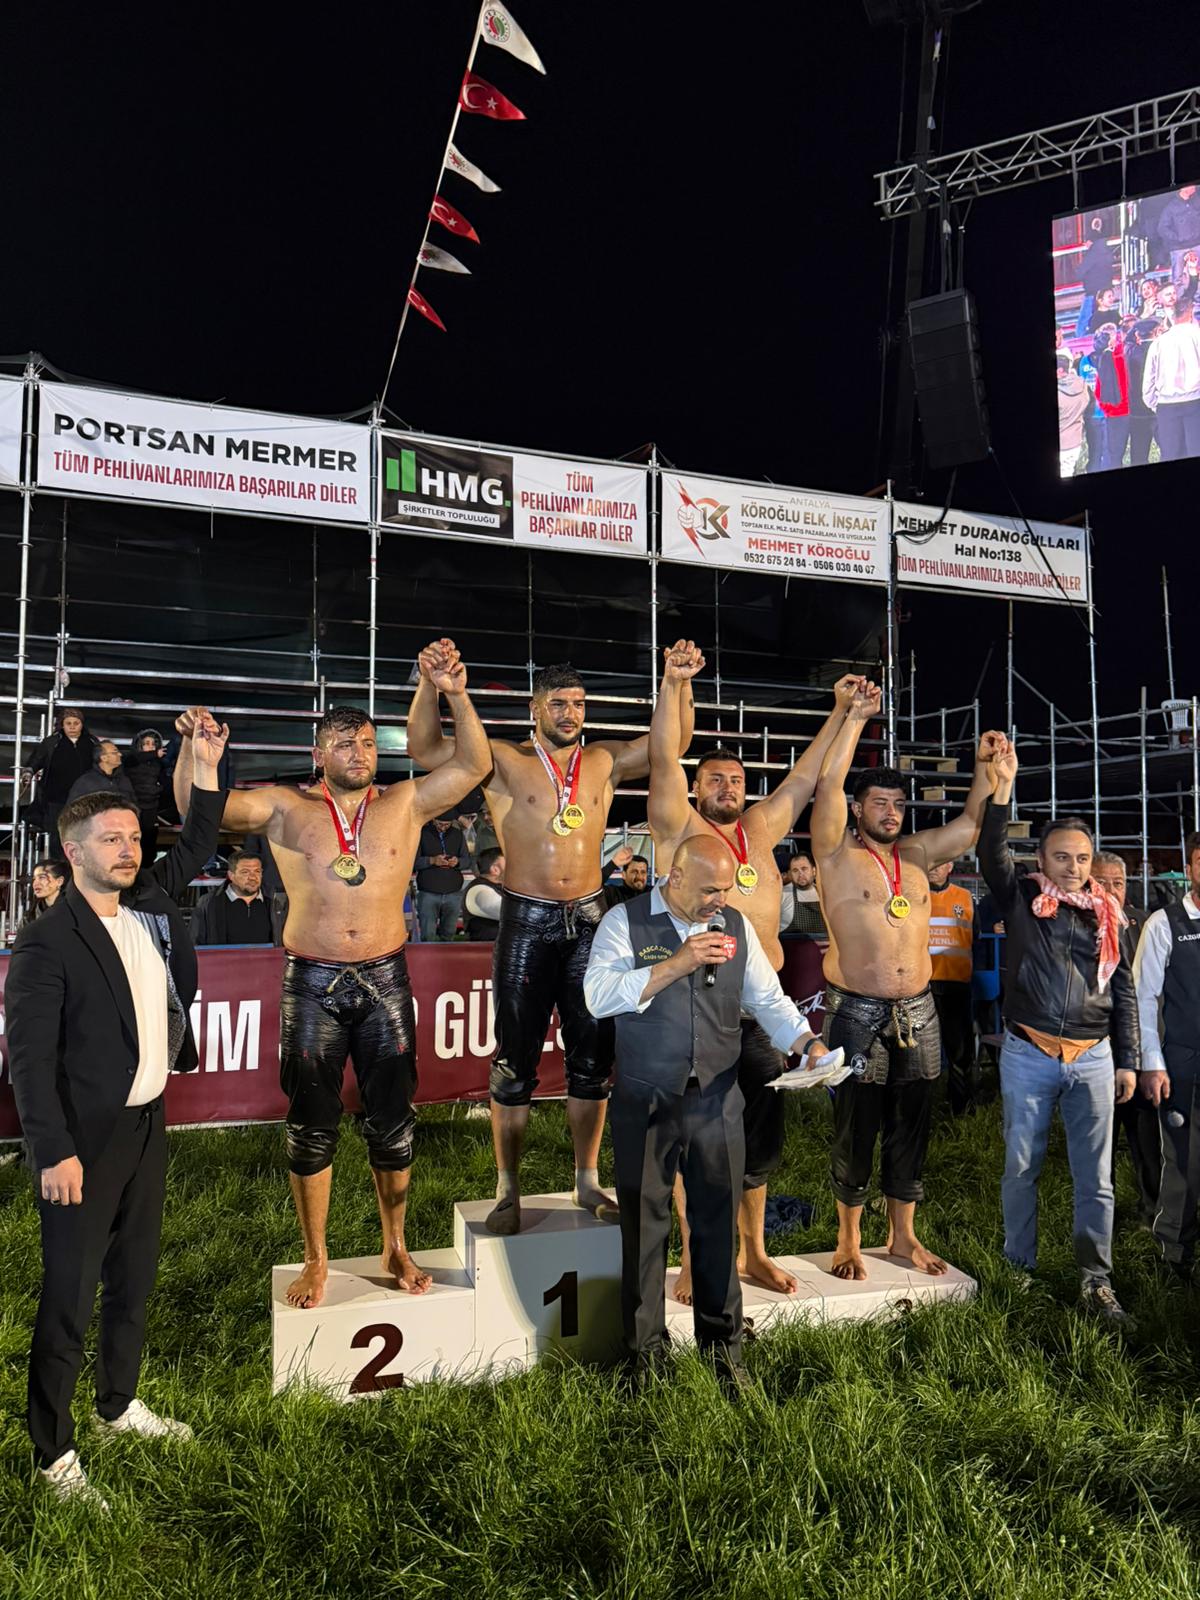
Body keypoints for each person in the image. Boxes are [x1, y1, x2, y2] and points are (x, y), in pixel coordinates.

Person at [176, 639, 490, 1309]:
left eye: (368, 743)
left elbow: (474, 764)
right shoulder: (286, 806)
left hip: (385, 976)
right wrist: (195, 758)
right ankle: (315, 1257)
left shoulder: (405, 802)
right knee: (311, 1121)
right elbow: (199, 813)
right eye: (345, 743)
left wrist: (453, 693)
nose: (359, 752)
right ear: (319, 753)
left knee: (394, 1120)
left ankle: (395, 1244)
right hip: (313, 981)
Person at [6, 710, 227, 1507]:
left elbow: (198, 840)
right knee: (69, 1295)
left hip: (146, 1126)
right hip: (82, 1141)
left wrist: (205, 766)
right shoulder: (47, 941)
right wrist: (52, 1150)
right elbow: (28, 1061)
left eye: (134, 838)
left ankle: (116, 1405)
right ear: (72, 853)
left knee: (133, 1278)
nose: (129, 850)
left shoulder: (151, 905)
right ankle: (53, 1451)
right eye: (111, 840)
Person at [407, 657, 665, 1238]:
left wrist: (675, 683)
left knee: (592, 1060)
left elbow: (668, 745)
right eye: (559, 703)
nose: (571, 714)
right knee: (514, 1062)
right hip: (526, 919)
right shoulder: (504, 759)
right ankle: (507, 1190)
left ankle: (587, 1181)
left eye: (579, 704)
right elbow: (425, 748)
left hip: (592, 919)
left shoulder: (603, 761)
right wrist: (433, 686)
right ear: (535, 708)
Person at [583, 835, 842, 1386]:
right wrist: (677, 963)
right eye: (708, 890)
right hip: (646, 1095)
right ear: (674, 877)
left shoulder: (736, 927)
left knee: (718, 1223)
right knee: (644, 1227)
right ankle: (645, 1360)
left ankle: (724, 1355)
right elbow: (598, 996)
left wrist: (807, 1044)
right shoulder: (624, 921)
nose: (719, 900)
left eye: (725, 889)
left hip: (717, 1096)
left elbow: (767, 1000)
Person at [649, 642, 856, 1301]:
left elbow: (805, 776)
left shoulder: (761, 830)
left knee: (759, 1141)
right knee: (694, 1138)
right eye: (714, 779)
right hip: (698, 1012)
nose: (727, 787)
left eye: (735, 780)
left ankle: (754, 1252)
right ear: (695, 789)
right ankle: (692, 1259)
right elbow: (662, 758)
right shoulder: (677, 828)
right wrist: (672, 683)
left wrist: (840, 711)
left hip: (758, 1016)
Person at [810, 679, 1007, 1281]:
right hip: (855, 1010)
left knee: (912, 1124)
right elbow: (827, 785)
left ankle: (902, 1236)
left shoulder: (917, 855)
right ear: (858, 809)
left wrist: (984, 769)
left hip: (918, 1009)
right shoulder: (834, 853)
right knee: (856, 1125)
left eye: (897, 803)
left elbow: (971, 825)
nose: (890, 812)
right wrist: (855, 718)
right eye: (879, 803)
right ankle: (848, 1238)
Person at [980, 756, 1141, 1326]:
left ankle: (1096, 1279)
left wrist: (1128, 1060)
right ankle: (1019, 1269)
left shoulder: (1109, 914)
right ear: (1041, 859)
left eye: (1081, 858)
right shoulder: (1022, 896)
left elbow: (1124, 991)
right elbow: (990, 851)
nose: (1073, 868)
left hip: (1094, 1058)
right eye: (1062, 857)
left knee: (1096, 1179)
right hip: (1029, 1052)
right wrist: (1003, 788)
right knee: (1021, 1167)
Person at [1132, 831, 1200, 1282]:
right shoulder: (1165, 923)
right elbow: (1143, 998)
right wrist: (1152, 1062)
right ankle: (1175, 1254)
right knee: (1185, 1161)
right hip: (1184, 1060)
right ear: (1189, 868)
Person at [1090, 851, 1158, 1229]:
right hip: (1096, 1049)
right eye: (1102, 883)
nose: (1111, 890)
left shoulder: (1145, 923)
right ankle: (1103, 1216)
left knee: (1146, 1137)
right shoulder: (1076, 923)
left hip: (1139, 1050)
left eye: (1118, 883)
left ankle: (1152, 1210)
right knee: (1099, 1140)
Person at [926, 859, 978, 1113]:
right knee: (918, 1053)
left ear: (950, 867)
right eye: (931, 862)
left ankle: (962, 1108)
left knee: (959, 1051)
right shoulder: (913, 897)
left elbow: (976, 935)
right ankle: (919, 1109)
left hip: (956, 985)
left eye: (941, 863)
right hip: (921, 986)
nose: (935, 867)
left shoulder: (965, 898)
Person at [25, 709, 98, 857]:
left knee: (83, 835)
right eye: (68, 723)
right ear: (62, 725)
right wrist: (28, 772)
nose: (72, 727)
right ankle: (58, 867)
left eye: (76, 723)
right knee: (58, 836)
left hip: (84, 798)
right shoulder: (51, 742)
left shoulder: (92, 742)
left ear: (82, 724)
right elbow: (36, 760)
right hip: (56, 799)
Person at [1142, 289, 1200, 462]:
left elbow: (1149, 379)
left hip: (1166, 405)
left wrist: (1155, 404)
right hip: (1195, 401)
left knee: (1171, 456)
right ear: (1191, 312)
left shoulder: (1158, 342)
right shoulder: (1197, 336)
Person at [190, 848, 286, 946]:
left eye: (257, 871)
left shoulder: (275, 903)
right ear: (231, 875)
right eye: (245, 872)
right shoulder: (208, 903)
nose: (253, 877)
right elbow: (194, 944)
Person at [415, 814, 465, 942]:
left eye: (447, 825)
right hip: (428, 892)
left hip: (453, 892)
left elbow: (468, 860)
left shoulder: (457, 834)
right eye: (440, 824)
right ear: (433, 820)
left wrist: (458, 862)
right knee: (427, 935)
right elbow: (412, 862)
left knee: (449, 934)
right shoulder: (422, 834)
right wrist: (431, 860)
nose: (443, 828)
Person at [123, 729, 166, 863]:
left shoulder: (158, 764)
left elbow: (164, 782)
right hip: (133, 805)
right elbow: (136, 758)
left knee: (149, 839)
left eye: (153, 744)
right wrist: (155, 754)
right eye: (147, 743)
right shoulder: (131, 759)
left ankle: (147, 867)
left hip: (151, 806)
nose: (151, 746)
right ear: (139, 745)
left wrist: (158, 789)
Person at [65, 740, 140, 808]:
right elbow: (72, 810)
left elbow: (134, 804)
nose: (120, 754)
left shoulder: (124, 780)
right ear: (103, 758)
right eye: (115, 752)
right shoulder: (85, 782)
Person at [779, 849, 827, 941]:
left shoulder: (826, 895)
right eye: (795, 870)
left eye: (804, 869)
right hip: (790, 949)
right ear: (791, 874)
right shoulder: (782, 895)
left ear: (814, 871)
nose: (800, 874)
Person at [1158, 184, 1200, 283]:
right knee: (1178, 278)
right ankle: (1182, 293)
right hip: (1178, 248)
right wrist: (1177, 238)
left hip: (1198, 243)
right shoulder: (1171, 207)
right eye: (1191, 186)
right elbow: (1162, 228)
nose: (1194, 187)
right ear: (1183, 189)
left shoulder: (1198, 201)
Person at [1057, 354, 1090, 477]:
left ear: (1060, 371)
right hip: (1075, 442)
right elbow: (1086, 401)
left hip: (1062, 444)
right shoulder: (1082, 385)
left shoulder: (1060, 394)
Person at [463, 847, 505, 941]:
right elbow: (511, 913)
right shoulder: (480, 890)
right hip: (487, 947)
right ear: (495, 869)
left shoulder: (502, 887)